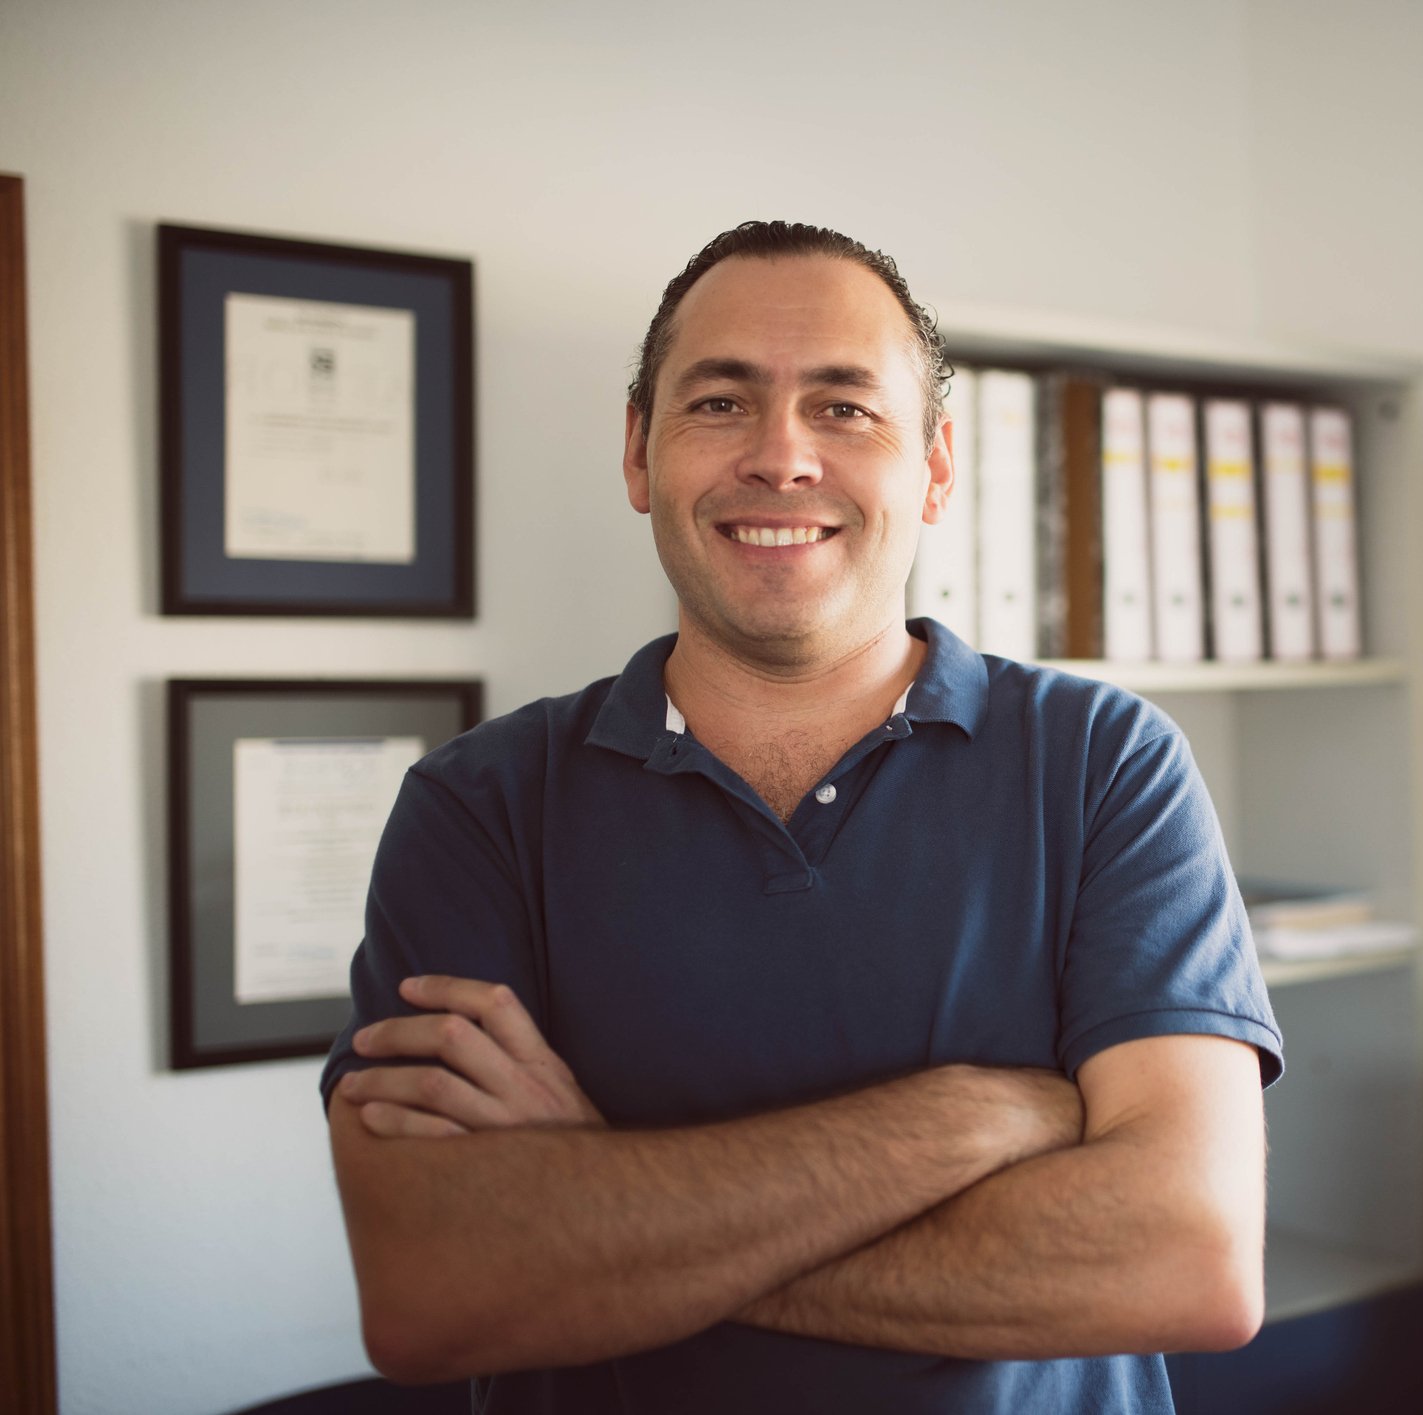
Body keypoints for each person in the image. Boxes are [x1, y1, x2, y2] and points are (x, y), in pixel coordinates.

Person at [320, 220, 1283, 1413]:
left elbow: (1184, 1260)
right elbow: (432, 1292)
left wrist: (602, 1194)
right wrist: (964, 1118)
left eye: (844, 408)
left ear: (933, 464)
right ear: (638, 453)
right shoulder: (477, 806)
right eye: (720, 403)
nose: (780, 457)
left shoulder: (1104, 764)